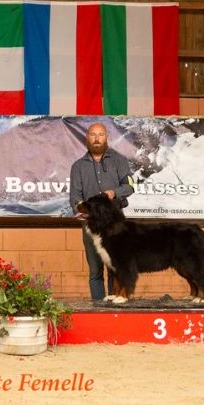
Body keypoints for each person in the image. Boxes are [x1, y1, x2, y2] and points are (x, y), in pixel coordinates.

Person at [69, 122, 135, 301]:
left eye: (101, 134)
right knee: (95, 271)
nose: (97, 138)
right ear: (87, 138)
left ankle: (116, 302)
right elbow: (74, 198)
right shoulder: (77, 167)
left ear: (107, 137)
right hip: (91, 227)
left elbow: (129, 186)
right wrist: (82, 209)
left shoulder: (120, 161)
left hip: (116, 227)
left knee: (116, 267)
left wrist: (114, 192)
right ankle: (98, 308)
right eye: (93, 134)